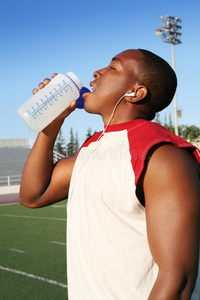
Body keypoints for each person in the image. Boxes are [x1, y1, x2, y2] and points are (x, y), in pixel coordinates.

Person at [19, 49, 200, 300]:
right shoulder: (93, 148)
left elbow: (177, 280)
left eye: (113, 68)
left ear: (135, 93)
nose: (96, 72)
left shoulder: (164, 156)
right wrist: (50, 126)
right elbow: (33, 195)